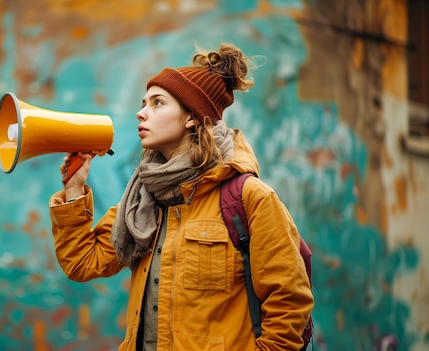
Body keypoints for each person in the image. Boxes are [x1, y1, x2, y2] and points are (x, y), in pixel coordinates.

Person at [48, 42, 314, 351]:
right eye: (143, 102)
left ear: (191, 117)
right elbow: (84, 263)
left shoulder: (249, 198)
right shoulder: (143, 200)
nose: (141, 112)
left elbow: (289, 304)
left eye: (157, 103)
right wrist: (74, 189)